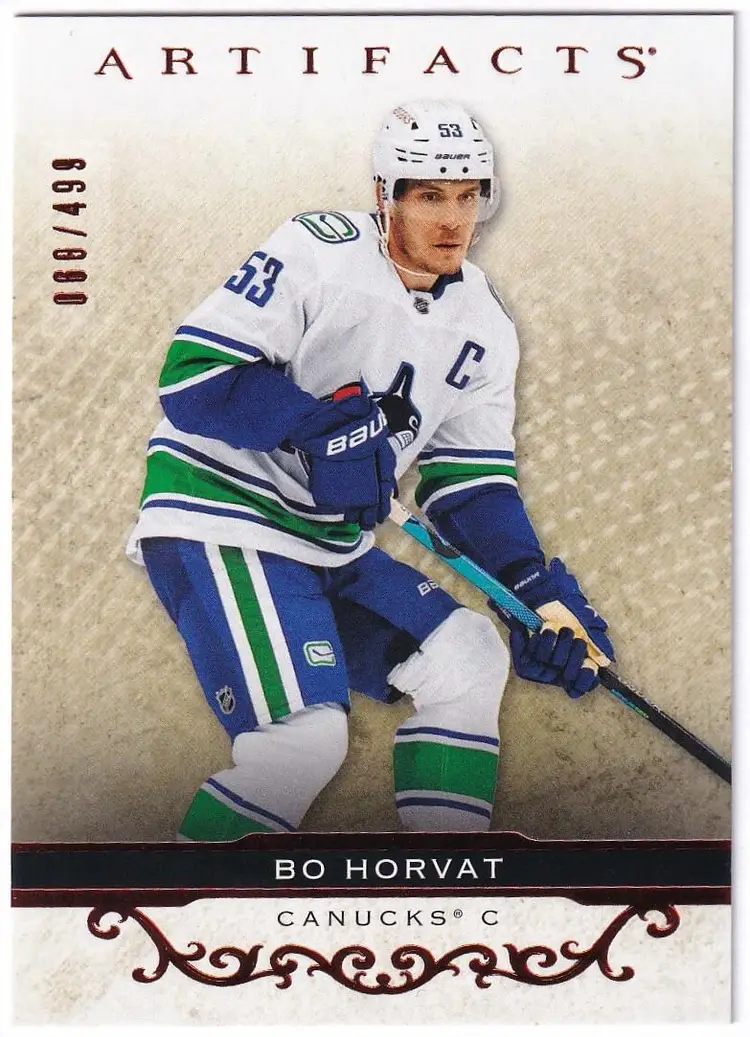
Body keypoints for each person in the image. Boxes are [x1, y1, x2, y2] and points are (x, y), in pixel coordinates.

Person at [126, 100, 615, 840]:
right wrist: (316, 428)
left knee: (469, 657)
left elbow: (471, 484)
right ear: (386, 195)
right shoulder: (315, 250)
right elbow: (194, 375)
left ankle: (446, 873)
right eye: (430, 196)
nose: (453, 220)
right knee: (303, 741)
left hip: (330, 544)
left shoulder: (485, 323)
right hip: (222, 517)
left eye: (469, 196)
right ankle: (179, 894)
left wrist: (532, 593)